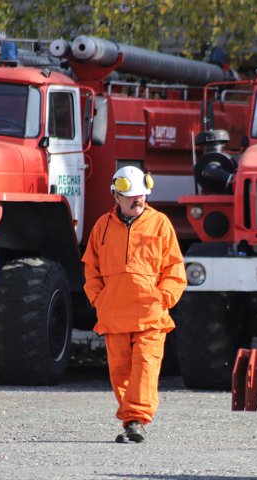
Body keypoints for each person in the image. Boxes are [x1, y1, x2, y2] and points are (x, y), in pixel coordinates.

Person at [82, 166, 187, 443]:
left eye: (141, 195)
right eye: (131, 196)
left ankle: (137, 420)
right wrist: (98, 298)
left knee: (145, 366)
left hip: (150, 313)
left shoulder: (160, 223)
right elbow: (90, 267)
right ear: (116, 196)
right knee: (120, 371)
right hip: (114, 313)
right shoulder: (102, 226)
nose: (137, 200)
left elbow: (175, 268)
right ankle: (131, 420)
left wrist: (162, 298)